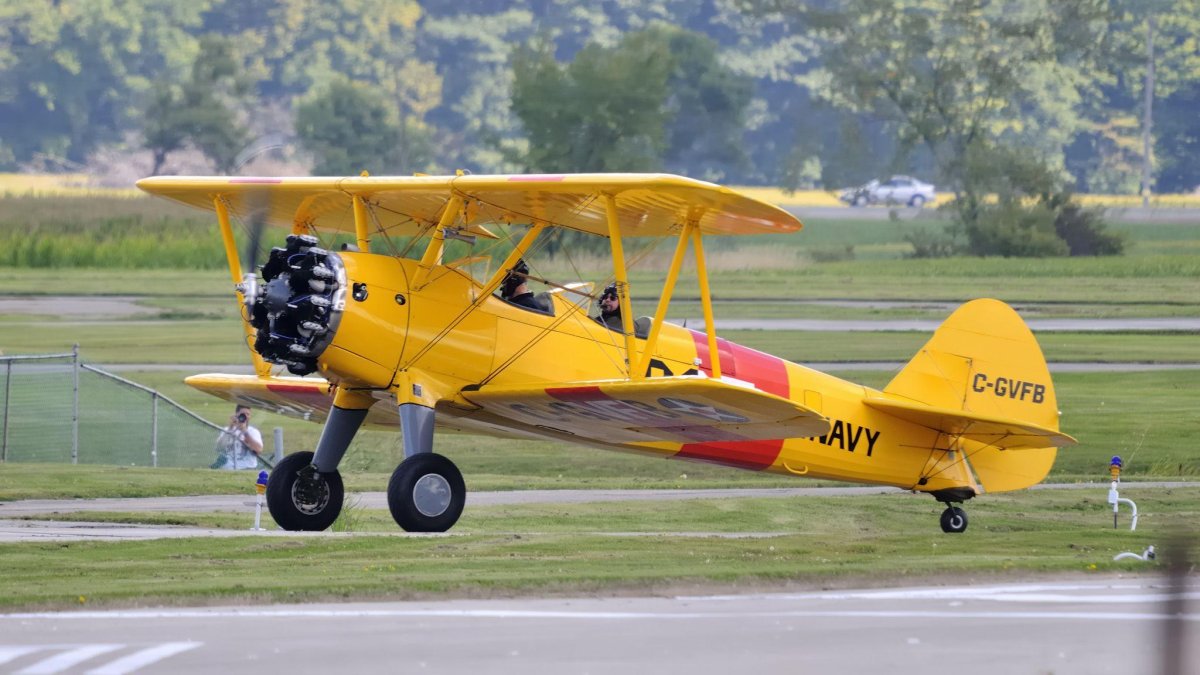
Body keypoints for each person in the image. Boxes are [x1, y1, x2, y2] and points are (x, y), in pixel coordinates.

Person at [212, 404, 264, 470]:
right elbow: (219, 447)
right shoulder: (227, 429)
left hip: (247, 467)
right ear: (236, 414)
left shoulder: (253, 431)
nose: (245, 416)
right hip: (228, 468)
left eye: (248, 414)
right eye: (243, 414)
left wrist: (245, 432)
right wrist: (230, 428)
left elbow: (258, 450)